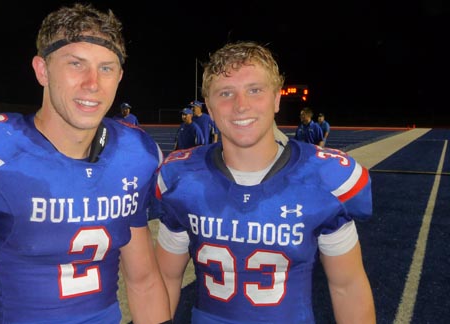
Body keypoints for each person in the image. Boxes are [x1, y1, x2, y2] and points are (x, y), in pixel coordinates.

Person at [0, 4, 171, 324]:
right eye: (76, 64)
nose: (93, 83)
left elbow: (143, 281)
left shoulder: (133, 155)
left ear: (119, 76)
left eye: (106, 68)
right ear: (42, 70)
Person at [154, 41, 375, 323]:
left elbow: (348, 287)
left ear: (276, 99)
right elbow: (166, 278)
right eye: (225, 93)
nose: (241, 105)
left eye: (255, 90)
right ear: (208, 105)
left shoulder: (322, 178)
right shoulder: (183, 177)